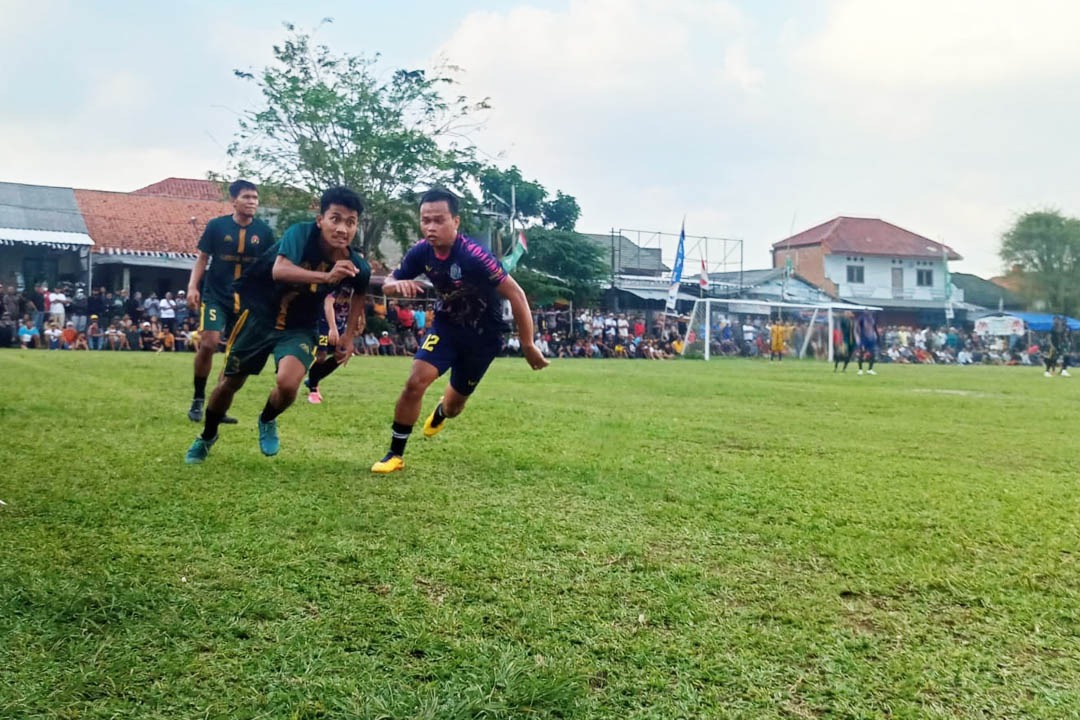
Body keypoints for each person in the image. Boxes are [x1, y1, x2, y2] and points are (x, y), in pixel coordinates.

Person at [185, 186, 370, 464]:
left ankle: (267, 418)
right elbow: (279, 270)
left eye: (350, 222)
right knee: (229, 383)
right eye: (335, 218)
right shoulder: (300, 234)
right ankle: (208, 435)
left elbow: (361, 291)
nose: (342, 228)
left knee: (287, 384)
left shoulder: (355, 263)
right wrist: (326, 278)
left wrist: (347, 336)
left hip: (300, 326)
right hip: (259, 317)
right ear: (320, 220)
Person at [371, 188, 548, 474]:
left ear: (456, 221)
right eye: (425, 220)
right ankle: (395, 454)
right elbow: (390, 280)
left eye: (438, 220)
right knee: (415, 381)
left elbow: (516, 294)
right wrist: (393, 286)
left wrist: (527, 344)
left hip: (483, 337)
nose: (430, 227)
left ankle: (442, 410)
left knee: (454, 408)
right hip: (447, 327)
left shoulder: (475, 256)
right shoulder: (421, 252)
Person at [185, 180, 275, 424]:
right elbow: (203, 258)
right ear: (234, 200)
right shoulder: (217, 226)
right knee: (209, 343)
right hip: (216, 295)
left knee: (236, 355)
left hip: (247, 301)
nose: (252, 202)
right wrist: (193, 287)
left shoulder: (265, 233)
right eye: (246, 197)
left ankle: (218, 405)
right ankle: (198, 398)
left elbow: (272, 267)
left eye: (255, 198)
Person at [304, 285, 362, 404]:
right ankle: (313, 390)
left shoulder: (357, 284)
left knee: (341, 355)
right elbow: (328, 303)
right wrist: (332, 328)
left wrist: (360, 319)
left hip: (341, 326)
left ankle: (313, 380)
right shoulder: (337, 284)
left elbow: (357, 304)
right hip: (324, 325)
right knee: (321, 356)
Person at [855, 310, 879, 375]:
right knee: (861, 353)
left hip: (871, 339)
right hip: (864, 339)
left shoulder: (872, 319)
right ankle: (860, 370)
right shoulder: (861, 318)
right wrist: (859, 336)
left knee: (872, 354)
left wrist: (877, 337)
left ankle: (870, 369)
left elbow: (875, 328)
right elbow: (857, 328)